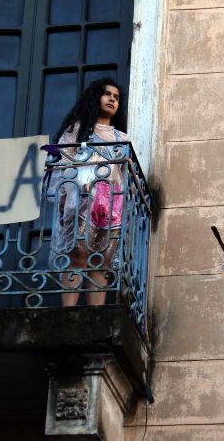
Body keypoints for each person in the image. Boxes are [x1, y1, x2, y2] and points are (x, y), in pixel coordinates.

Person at [48, 78, 130, 307]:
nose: (112, 99)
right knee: (78, 256)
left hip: (112, 201)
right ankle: (69, 312)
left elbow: (124, 175)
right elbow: (62, 165)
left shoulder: (122, 139)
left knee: (100, 261)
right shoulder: (77, 130)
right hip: (83, 196)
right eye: (107, 94)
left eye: (116, 97)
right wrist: (66, 197)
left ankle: (96, 312)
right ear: (95, 98)